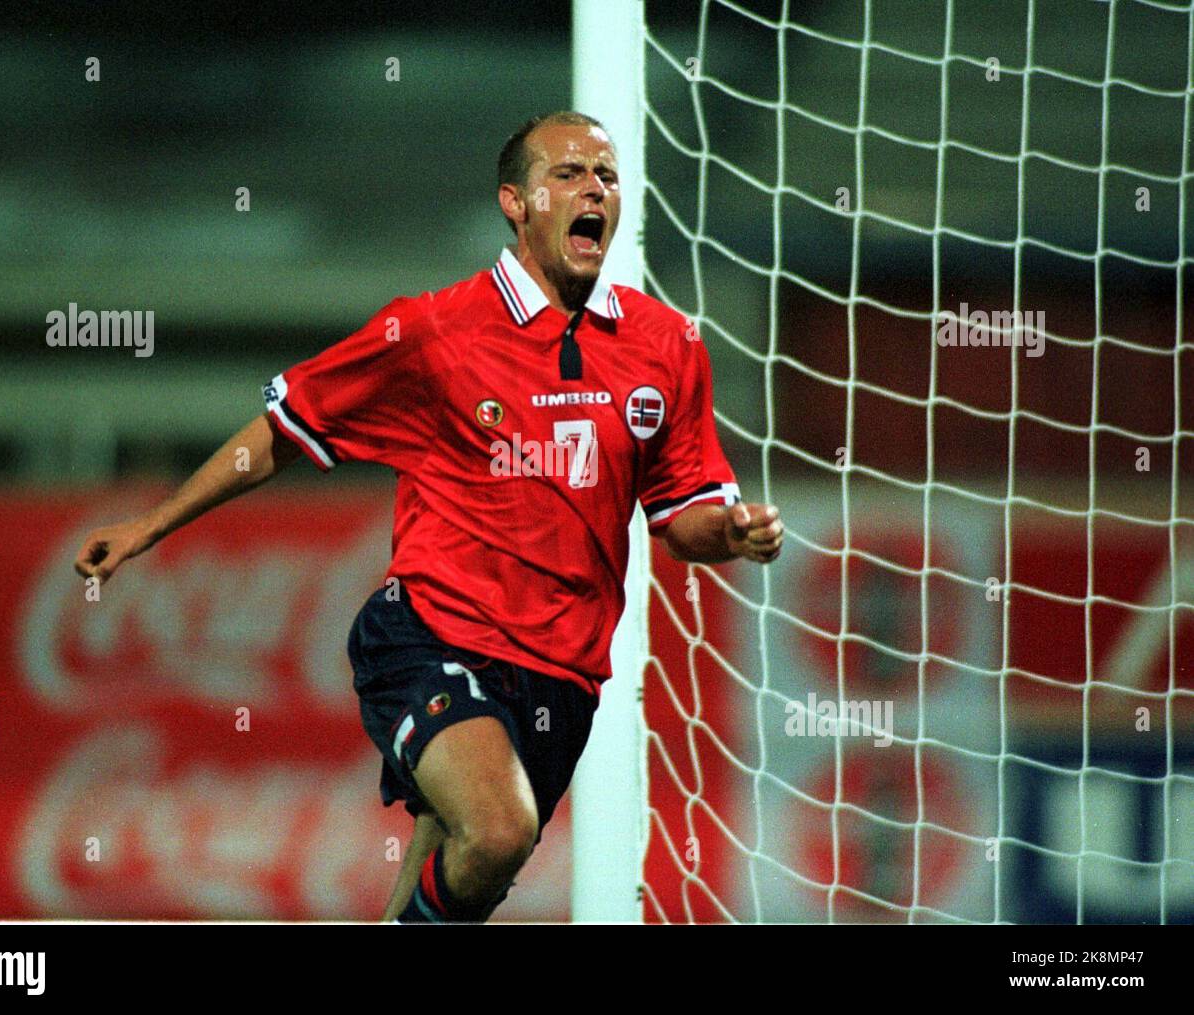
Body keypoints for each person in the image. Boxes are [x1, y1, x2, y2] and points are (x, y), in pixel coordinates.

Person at [74, 110, 784, 923]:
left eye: (608, 176)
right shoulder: (436, 328)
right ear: (514, 203)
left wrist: (729, 533)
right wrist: (151, 525)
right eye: (568, 174)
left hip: (562, 676)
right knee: (498, 828)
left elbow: (681, 514)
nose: (595, 188)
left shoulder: (665, 345)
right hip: (430, 636)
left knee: (451, 868)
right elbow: (288, 427)